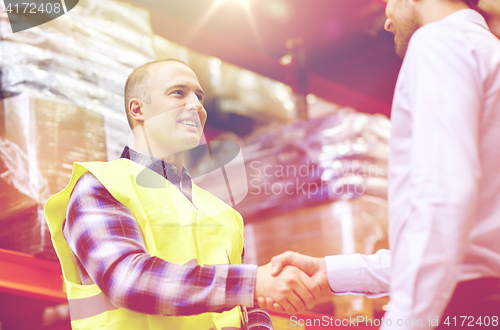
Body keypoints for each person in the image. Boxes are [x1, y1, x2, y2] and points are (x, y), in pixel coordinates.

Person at [262, 0, 500, 328]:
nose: (386, 20)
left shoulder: (438, 42)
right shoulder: (487, 52)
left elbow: (442, 200)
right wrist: (330, 272)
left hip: (461, 306)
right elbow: (468, 245)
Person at [44, 59, 323, 330]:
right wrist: (253, 283)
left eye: (199, 96)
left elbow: (247, 309)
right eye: (179, 93)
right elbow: (127, 279)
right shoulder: (101, 185)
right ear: (138, 109)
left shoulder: (225, 214)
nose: (196, 106)